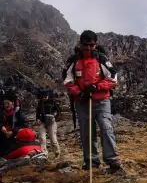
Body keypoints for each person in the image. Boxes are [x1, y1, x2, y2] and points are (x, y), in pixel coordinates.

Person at [63, 30, 122, 173]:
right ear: (80, 43)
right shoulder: (73, 61)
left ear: (95, 44)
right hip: (82, 103)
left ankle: (112, 161)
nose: (88, 48)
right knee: (87, 132)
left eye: (91, 45)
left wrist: (96, 87)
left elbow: (113, 79)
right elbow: (67, 80)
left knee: (106, 128)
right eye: (85, 45)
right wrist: (80, 92)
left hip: (102, 101)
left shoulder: (101, 59)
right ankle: (91, 161)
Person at [35, 89, 61, 158]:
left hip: (51, 121)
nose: (43, 98)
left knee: (53, 139)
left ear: (48, 96)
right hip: (42, 121)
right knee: (42, 138)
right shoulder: (40, 102)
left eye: (45, 97)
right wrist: (37, 119)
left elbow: (58, 111)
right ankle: (44, 154)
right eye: (42, 97)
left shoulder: (53, 101)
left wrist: (55, 117)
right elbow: (37, 111)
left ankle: (57, 153)